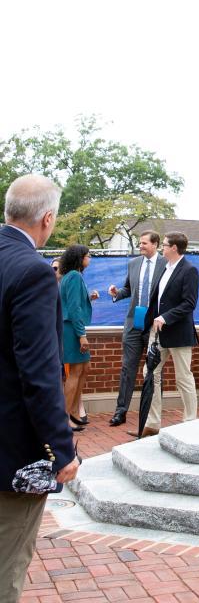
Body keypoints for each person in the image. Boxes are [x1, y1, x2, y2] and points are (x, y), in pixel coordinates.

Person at [0, 175, 79, 603]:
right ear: (47, 219)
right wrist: (60, 449)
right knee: (6, 565)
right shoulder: (32, 271)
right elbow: (39, 372)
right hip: (10, 451)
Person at [134, 233, 199, 438]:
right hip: (158, 332)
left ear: (174, 248)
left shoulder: (189, 270)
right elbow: (159, 300)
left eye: (164, 245)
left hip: (179, 334)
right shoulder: (165, 268)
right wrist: (150, 322)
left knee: (183, 377)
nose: (162, 248)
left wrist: (166, 317)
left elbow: (189, 304)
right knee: (150, 373)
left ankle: (190, 421)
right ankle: (153, 423)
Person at [107, 232, 167, 426]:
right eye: (140, 243)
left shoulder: (166, 264)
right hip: (134, 323)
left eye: (144, 243)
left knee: (154, 370)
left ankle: (151, 414)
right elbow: (128, 290)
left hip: (154, 325)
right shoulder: (133, 264)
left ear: (155, 244)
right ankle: (120, 411)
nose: (140, 246)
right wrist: (117, 293)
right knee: (127, 368)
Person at [59, 245, 98, 431]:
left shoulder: (70, 276)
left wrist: (89, 298)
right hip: (72, 329)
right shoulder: (74, 276)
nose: (89, 258)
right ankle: (65, 417)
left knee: (84, 368)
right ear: (79, 258)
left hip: (72, 327)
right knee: (75, 372)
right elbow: (73, 308)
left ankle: (74, 412)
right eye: (87, 256)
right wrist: (82, 335)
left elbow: (74, 302)